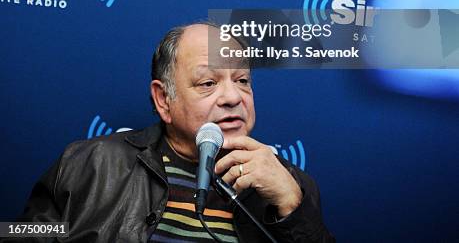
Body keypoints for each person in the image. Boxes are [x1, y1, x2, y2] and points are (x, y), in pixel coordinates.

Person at [5, 22, 334, 242]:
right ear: (164, 99)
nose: (234, 97)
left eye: (243, 80)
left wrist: (293, 207)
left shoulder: (292, 186)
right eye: (208, 83)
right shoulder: (90, 162)